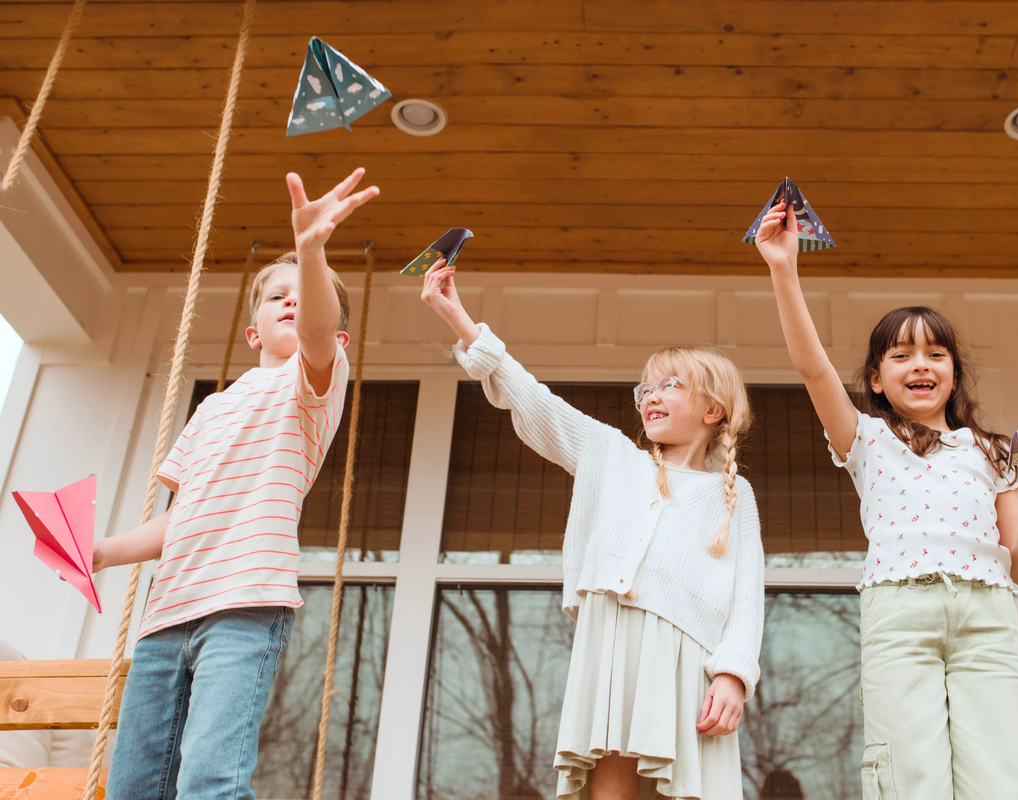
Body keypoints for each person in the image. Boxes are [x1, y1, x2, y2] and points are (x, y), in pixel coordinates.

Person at [755, 199, 1018, 800]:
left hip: (987, 616)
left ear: (954, 372)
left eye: (934, 353)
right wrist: (783, 270)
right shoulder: (867, 439)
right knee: (908, 774)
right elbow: (812, 368)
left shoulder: (992, 450)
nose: (918, 364)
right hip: (900, 611)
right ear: (876, 379)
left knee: (996, 774)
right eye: (900, 355)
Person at [420, 259, 765, 800]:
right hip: (613, 648)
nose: (649, 395)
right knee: (611, 791)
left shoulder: (733, 494)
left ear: (714, 408)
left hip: (686, 661)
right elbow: (534, 402)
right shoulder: (611, 455)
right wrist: (459, 318)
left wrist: (734, 674)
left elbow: (747, 597)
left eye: (669, 384)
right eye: (643, 388)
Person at [92, 168, 378, 800]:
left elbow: (314, 331)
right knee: (134, 786)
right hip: (166, 613)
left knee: (209, 781)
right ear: (252, 332)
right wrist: (106, 552)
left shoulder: (309, 386)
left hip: (244, 604)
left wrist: (310, 251)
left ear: (337, 335)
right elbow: (185, 514)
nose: (292, 300)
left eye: (304, 294)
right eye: (277, 295)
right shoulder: (211, 410)